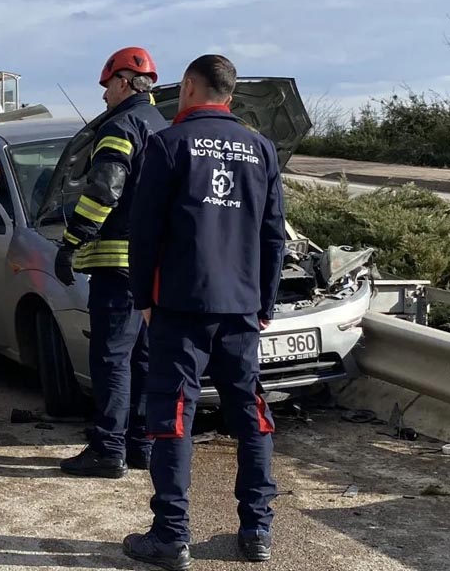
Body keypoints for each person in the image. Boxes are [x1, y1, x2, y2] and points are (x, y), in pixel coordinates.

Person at [124, 55, 284, 569]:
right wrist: (265, 302)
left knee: (172, 417)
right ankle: (257, 530)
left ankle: (171, 536)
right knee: (251, 416)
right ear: (230, 96)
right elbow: (273, 234)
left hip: (179, 304)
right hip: (241, 306)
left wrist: (142, 300)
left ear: (189, 87)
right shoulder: (261, 149)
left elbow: (144, 232)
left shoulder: (167, 145)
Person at [54, 47, 168, 479]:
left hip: (117, 265)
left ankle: (107, 449)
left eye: (106, 87)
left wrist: (70, 242)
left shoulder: (121, 126)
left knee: (112, 359)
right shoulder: (164, 127)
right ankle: (142, 444)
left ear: (123, 82)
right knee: (143, 358)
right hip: (155, 266)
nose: (103, 97)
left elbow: (104, 191)